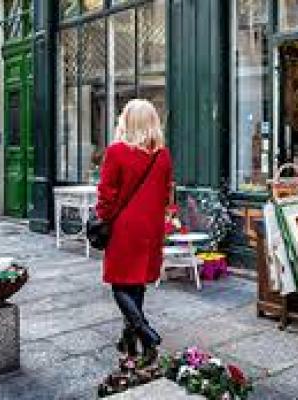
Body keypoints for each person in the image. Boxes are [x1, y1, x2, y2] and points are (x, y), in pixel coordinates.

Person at [96, 99, 173, 365]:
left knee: (119, 284)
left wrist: (102, 218)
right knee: (136, 283)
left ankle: (145, 333)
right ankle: (129, 340)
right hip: (151, 226)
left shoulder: (116, 152)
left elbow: (106, 194)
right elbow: (166, 194)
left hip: (125, 227)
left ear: (126, 121)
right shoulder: (163, 155)